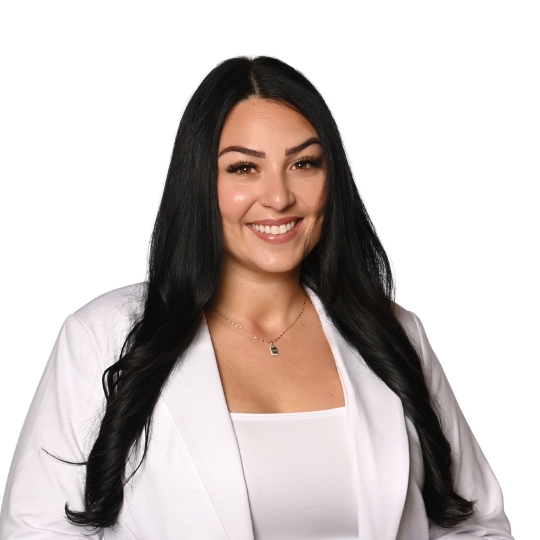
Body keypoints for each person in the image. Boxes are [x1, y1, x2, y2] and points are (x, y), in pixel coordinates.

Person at [0, 56, 513, 540]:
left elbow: (474, 525)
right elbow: (38, 529)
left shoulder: (395, 333)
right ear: (198, 181)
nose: (279, 196)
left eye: (304, 163)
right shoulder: (104, 335)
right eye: (244, 168)